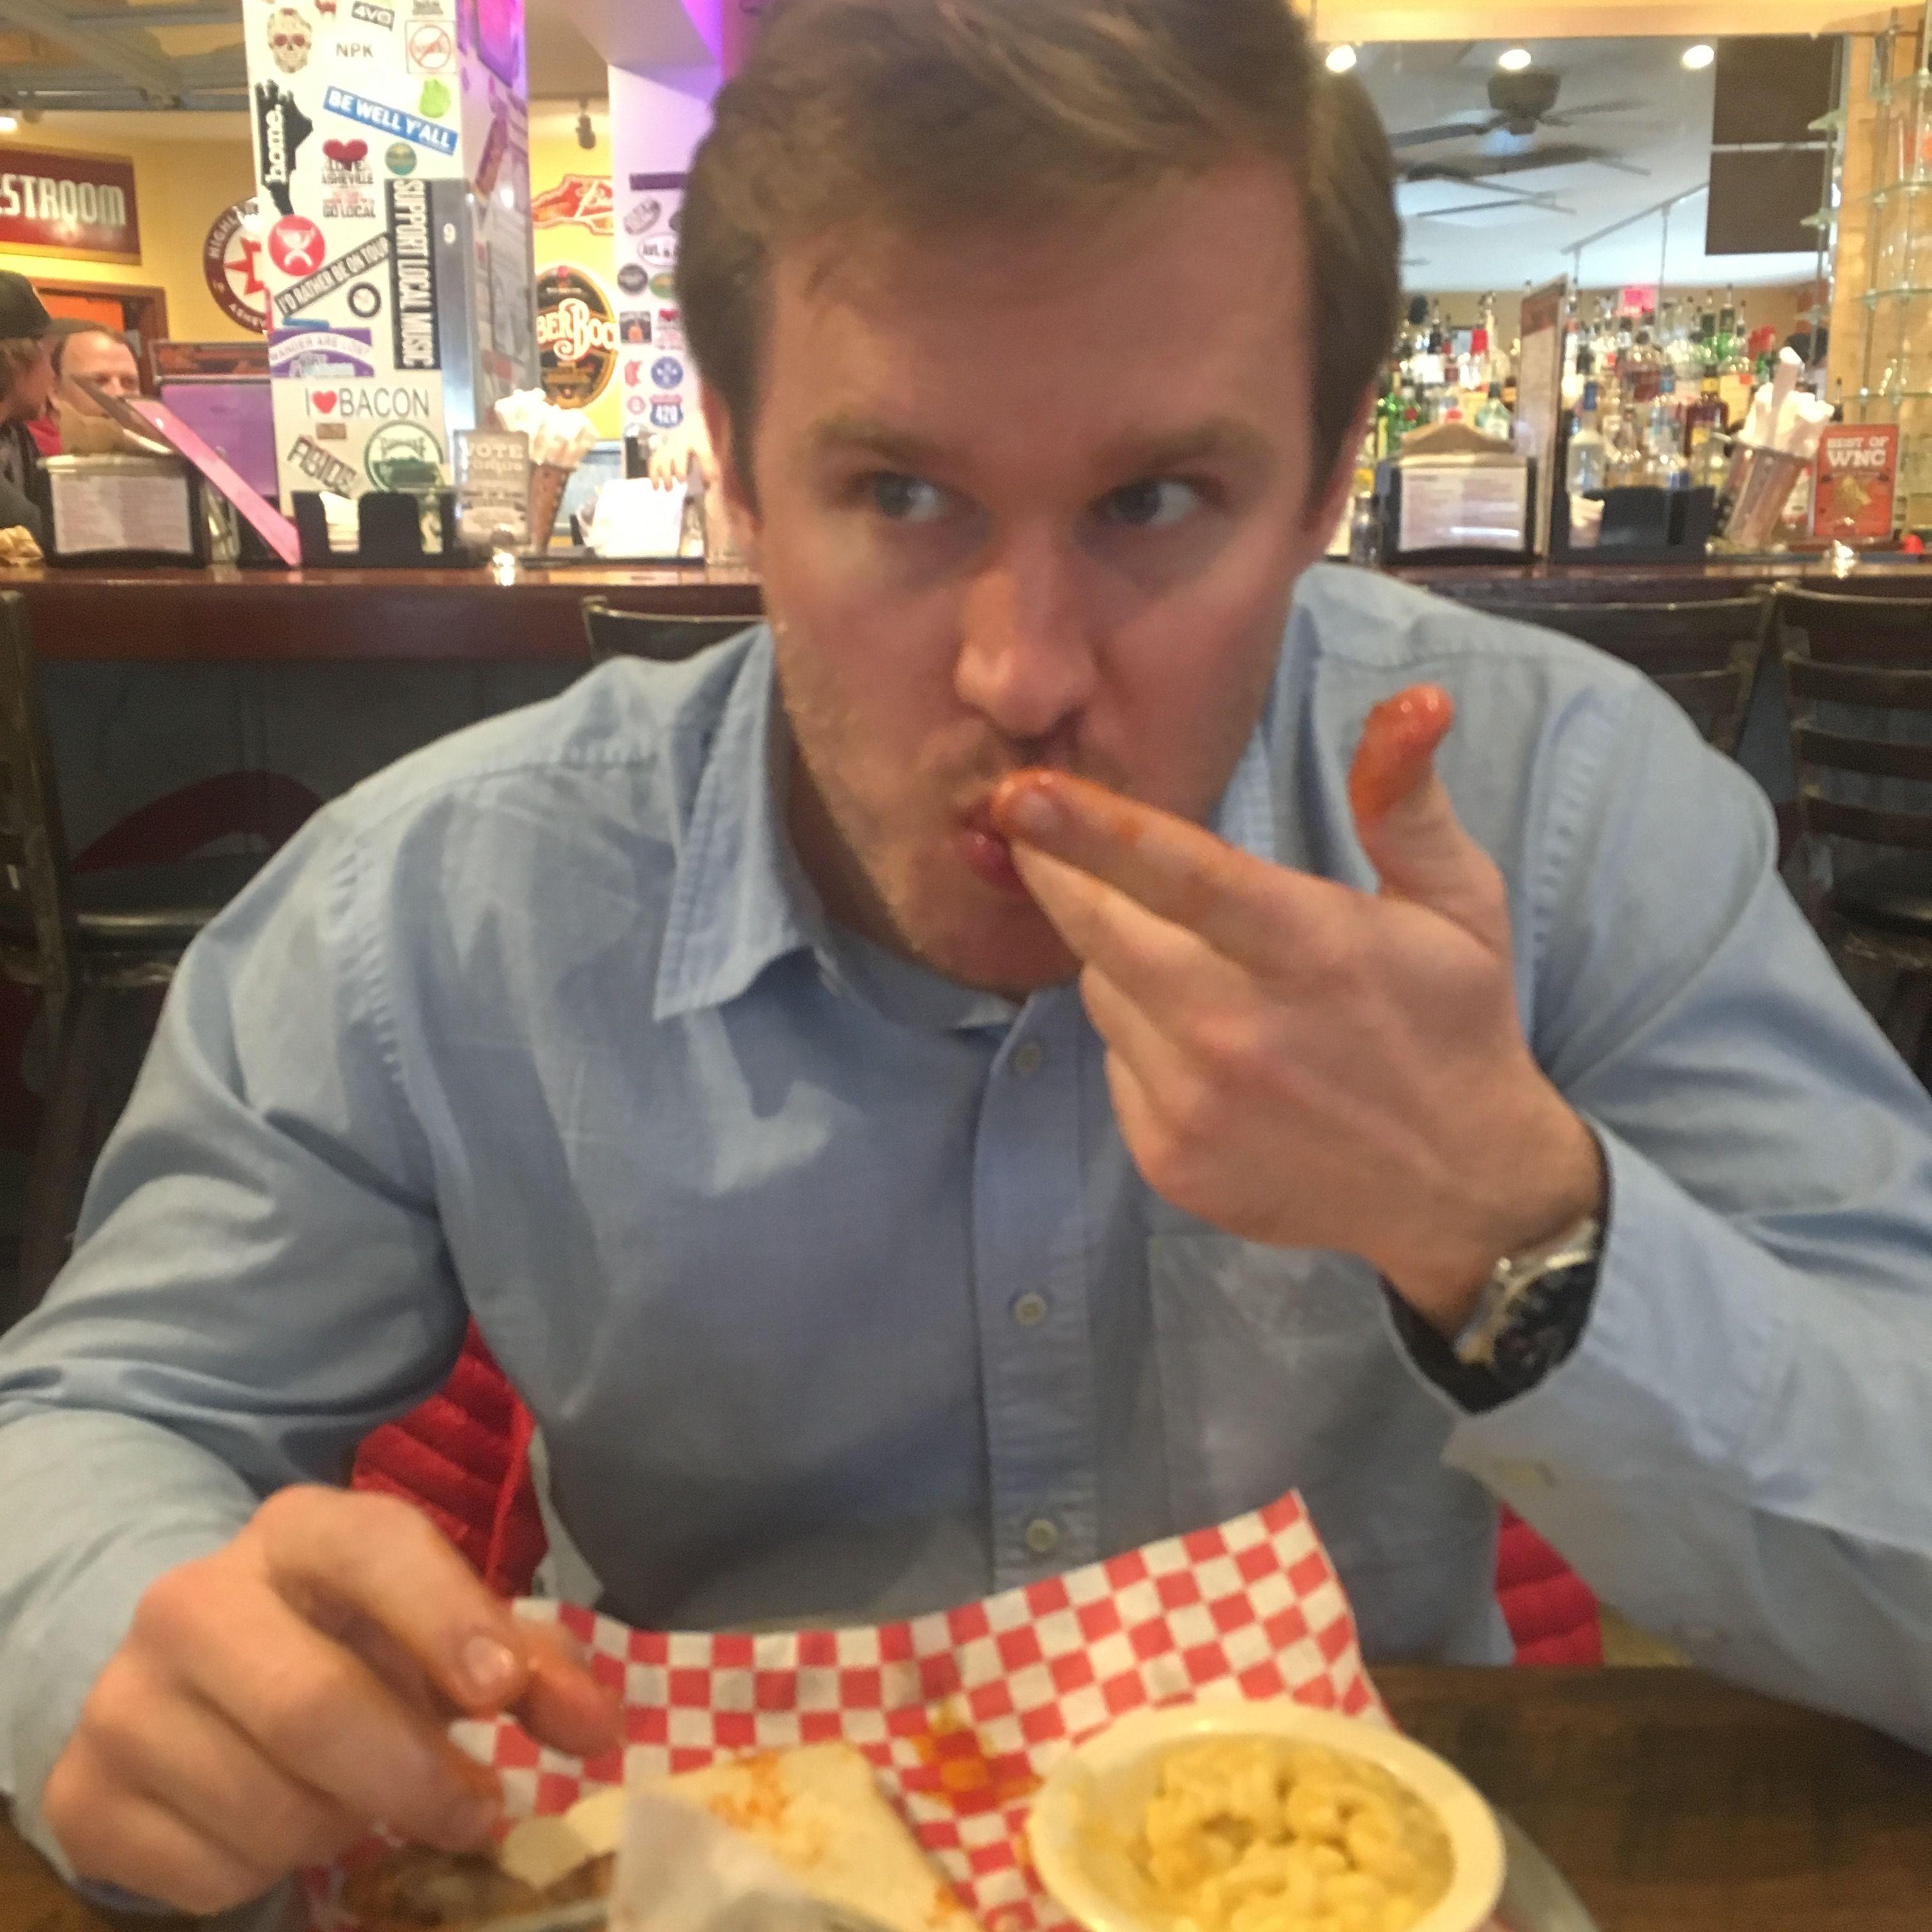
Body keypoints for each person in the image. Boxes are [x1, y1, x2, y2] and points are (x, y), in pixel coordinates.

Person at [4, 0, 1932, 1912]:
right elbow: (92, 1426)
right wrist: (126, 1650)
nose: (1023, 674)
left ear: (1330, 476)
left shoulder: (1560, 810)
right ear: (738, 469)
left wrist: (1517, 1228)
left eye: (1156, 500)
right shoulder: (436, 904)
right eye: (899, 494)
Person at [31, 319, 143, 456]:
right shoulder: (26, 453)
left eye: (129, 382)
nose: (118, 394)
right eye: (99, 381)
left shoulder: (155, 455)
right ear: (54, 391)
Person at [0, 271, 54, 542]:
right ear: (18, 360)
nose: (52, 375)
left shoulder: (16, 436)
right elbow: (45, 538)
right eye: (47, 354)